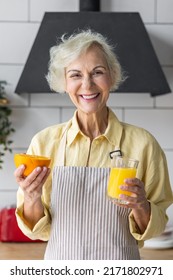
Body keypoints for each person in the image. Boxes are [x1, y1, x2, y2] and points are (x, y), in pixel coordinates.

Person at [14, 29, 173, 260]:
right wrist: (30, 197)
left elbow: (157, 225)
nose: (87, 85)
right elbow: (37, 230)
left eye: (97, 72)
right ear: (64, 82)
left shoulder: (144, 144)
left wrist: (141, 205)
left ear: (112, 76)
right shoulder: (44, 143)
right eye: (75, 75)